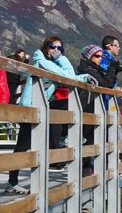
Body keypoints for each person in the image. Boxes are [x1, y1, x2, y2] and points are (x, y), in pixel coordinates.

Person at [6, 36, 97, 195]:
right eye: (53, 47)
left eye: (60, 48)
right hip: (30, 109)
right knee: (22, 147)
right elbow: (66, 75)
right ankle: (12, 182)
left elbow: (68, 76)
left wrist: (83, 78)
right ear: (46, 47)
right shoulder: (39, 60)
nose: (56, 50)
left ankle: (17, 182)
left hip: (39, 110)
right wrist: (62, 58)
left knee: (30, 146)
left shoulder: (51, 64)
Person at [76, 44, 114, 175]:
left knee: (92, 138)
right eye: (97, 56)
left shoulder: (94, 69)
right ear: (88, 56)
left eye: (101, 57)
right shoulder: (86, 69)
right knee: (89, 138)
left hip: (92, 106)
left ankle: (90, 168)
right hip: (87, 105)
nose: (100, 59)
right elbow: (106, 85)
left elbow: (108, 83)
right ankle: (86, 170)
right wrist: (112, 68)